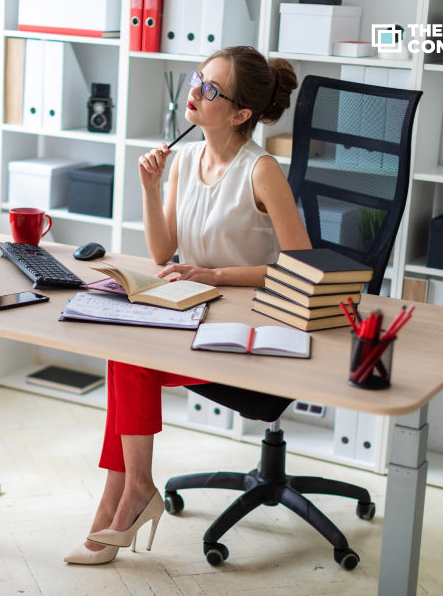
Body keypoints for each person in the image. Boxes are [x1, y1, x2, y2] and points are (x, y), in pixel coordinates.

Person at [65, 46, 312, 565]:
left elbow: (302, 268)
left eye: (211, 90)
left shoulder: (260, 171)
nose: (194, 94)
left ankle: (126, 497)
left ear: (241, 114)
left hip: (248, 337)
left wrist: (215, 274)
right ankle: (124, 496)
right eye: (198, 80)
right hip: (195, 318)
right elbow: (160, 253)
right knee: (125, 348)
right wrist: (150, 189)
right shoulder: (183, 160)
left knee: (129, 355)